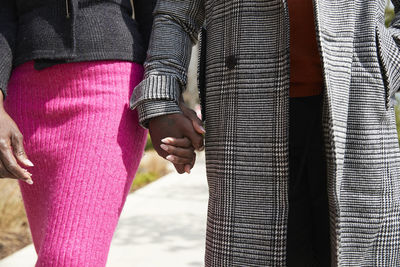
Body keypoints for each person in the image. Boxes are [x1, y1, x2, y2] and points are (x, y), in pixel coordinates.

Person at [131, 0, 400, 266]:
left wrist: (389, 61)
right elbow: (175, 14)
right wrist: (161, 99)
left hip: (359, 104)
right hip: (242, 114)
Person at [0, 0, 159, 266]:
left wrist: (164, 92)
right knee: (55, 252)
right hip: (24, 101)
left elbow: (155, 12)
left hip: (107, 88)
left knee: (69, 258)